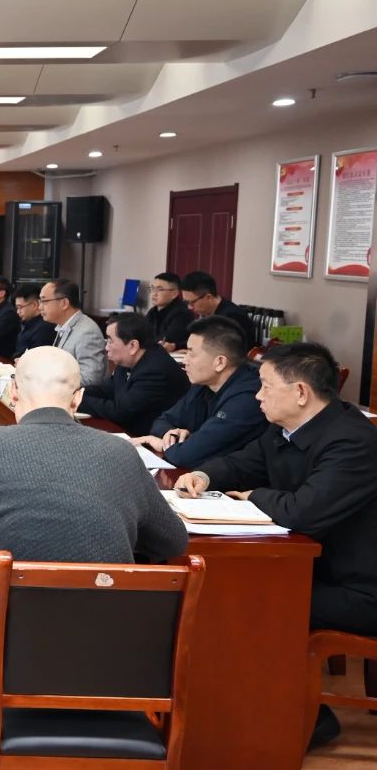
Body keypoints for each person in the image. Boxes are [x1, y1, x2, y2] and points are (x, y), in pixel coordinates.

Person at [0, 346, 188, 688]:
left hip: (17, 657)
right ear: (77, 399)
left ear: (13, 392)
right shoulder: (121, 452)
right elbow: (172, 541)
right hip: (112, 661)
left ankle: (4, 712)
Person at [173, 343, 377, 749]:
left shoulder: (351, 441)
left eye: (266, 386)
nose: (257, 396)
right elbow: (242, 462)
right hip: (315, 569)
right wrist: (203, 476)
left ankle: (292, 719)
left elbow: (303, 512)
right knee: (227, 590)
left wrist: (254, 496)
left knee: (248, 603)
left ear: (301, 392)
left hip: (360, 588)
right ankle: (237, 710)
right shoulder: (286, 429)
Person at [133, 316, 266, 468]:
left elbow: (185, 456)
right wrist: (170, 433)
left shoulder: (248, 399)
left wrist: (160, 443)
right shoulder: (204, 384)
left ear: (220, 362)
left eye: (191, 353)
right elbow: (162, 421)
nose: (185, 361)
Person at [78, 312, 189, 436]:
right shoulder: (128, 360)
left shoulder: (155, 370)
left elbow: (120, 412)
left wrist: (77, 400)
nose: (106, 347)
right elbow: (107, 390)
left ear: (133, 345)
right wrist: (74, 391)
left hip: (152, 438)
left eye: (110, 341)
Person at [39, 278, 107, 387]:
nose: (40, 307)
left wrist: (50, 381)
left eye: (44, 301)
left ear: (64, 303)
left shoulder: (87, 332)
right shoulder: (65, 325)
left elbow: (91, 379)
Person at [179, 271, 257, 350]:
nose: (189, 307)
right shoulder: (206, 312)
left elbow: (226, 349)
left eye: (191, 303)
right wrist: (176, 346)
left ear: (208, 297)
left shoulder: (231, 316)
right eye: (186, 302)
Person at [145, 272, 192, 352]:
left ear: (174, 294)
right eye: (152, 288)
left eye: (160, 289)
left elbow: (166, 340)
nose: (154, 294)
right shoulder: (152, 311)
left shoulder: (181, 313)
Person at [12, 283, 56, 357]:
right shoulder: (27, 323)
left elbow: (36, 358)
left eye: (20, 307)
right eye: (17, 308)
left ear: (34, 305)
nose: (18, 311)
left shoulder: (44, 328)